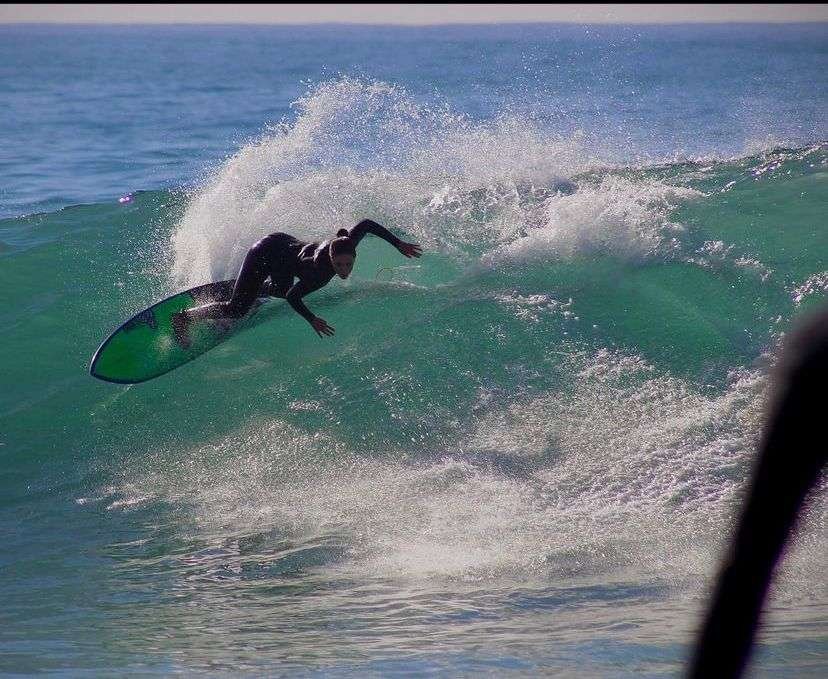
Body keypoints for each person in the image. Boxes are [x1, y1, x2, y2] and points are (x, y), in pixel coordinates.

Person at [172, 218, 422, 346]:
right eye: (339, 265)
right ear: (331, 259)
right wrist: (312, 319)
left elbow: (366, 224)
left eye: (348, 264)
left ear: (353, 255)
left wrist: (398, 243)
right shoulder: (318, 270)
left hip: (284, 250)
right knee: (237, 310)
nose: (344, 270)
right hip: (266, 252)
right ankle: (183, 318)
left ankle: (251, 289)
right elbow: (294, 296)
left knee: (277, 289)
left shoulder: (344, 244)